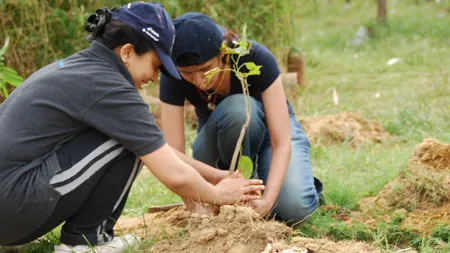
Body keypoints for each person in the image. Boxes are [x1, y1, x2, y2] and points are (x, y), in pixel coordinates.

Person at [0, 3, 264, 252]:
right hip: (10, 208)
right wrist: (218, 194)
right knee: (129, 142)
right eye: (155, 65)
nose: (154, 77)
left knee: (133, 139)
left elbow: (155, 148)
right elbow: (173, 173)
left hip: (10, 202)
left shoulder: (84, 69)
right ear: (127, 52)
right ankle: (84, 241)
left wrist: (214, 176)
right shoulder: (109, 86)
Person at [159, 12, 322, 225]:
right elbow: (173, 154)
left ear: (224, 54)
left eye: (205, 70)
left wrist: (269, 200)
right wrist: (197, 205)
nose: (198, 80)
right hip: (217, 141)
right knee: (234, 114)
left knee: (295, 209)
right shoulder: (172, 74)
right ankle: (241, 191)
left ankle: (299, 186)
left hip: (272, 134)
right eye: (187, 74)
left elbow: (281, 142)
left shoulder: (254, 57)